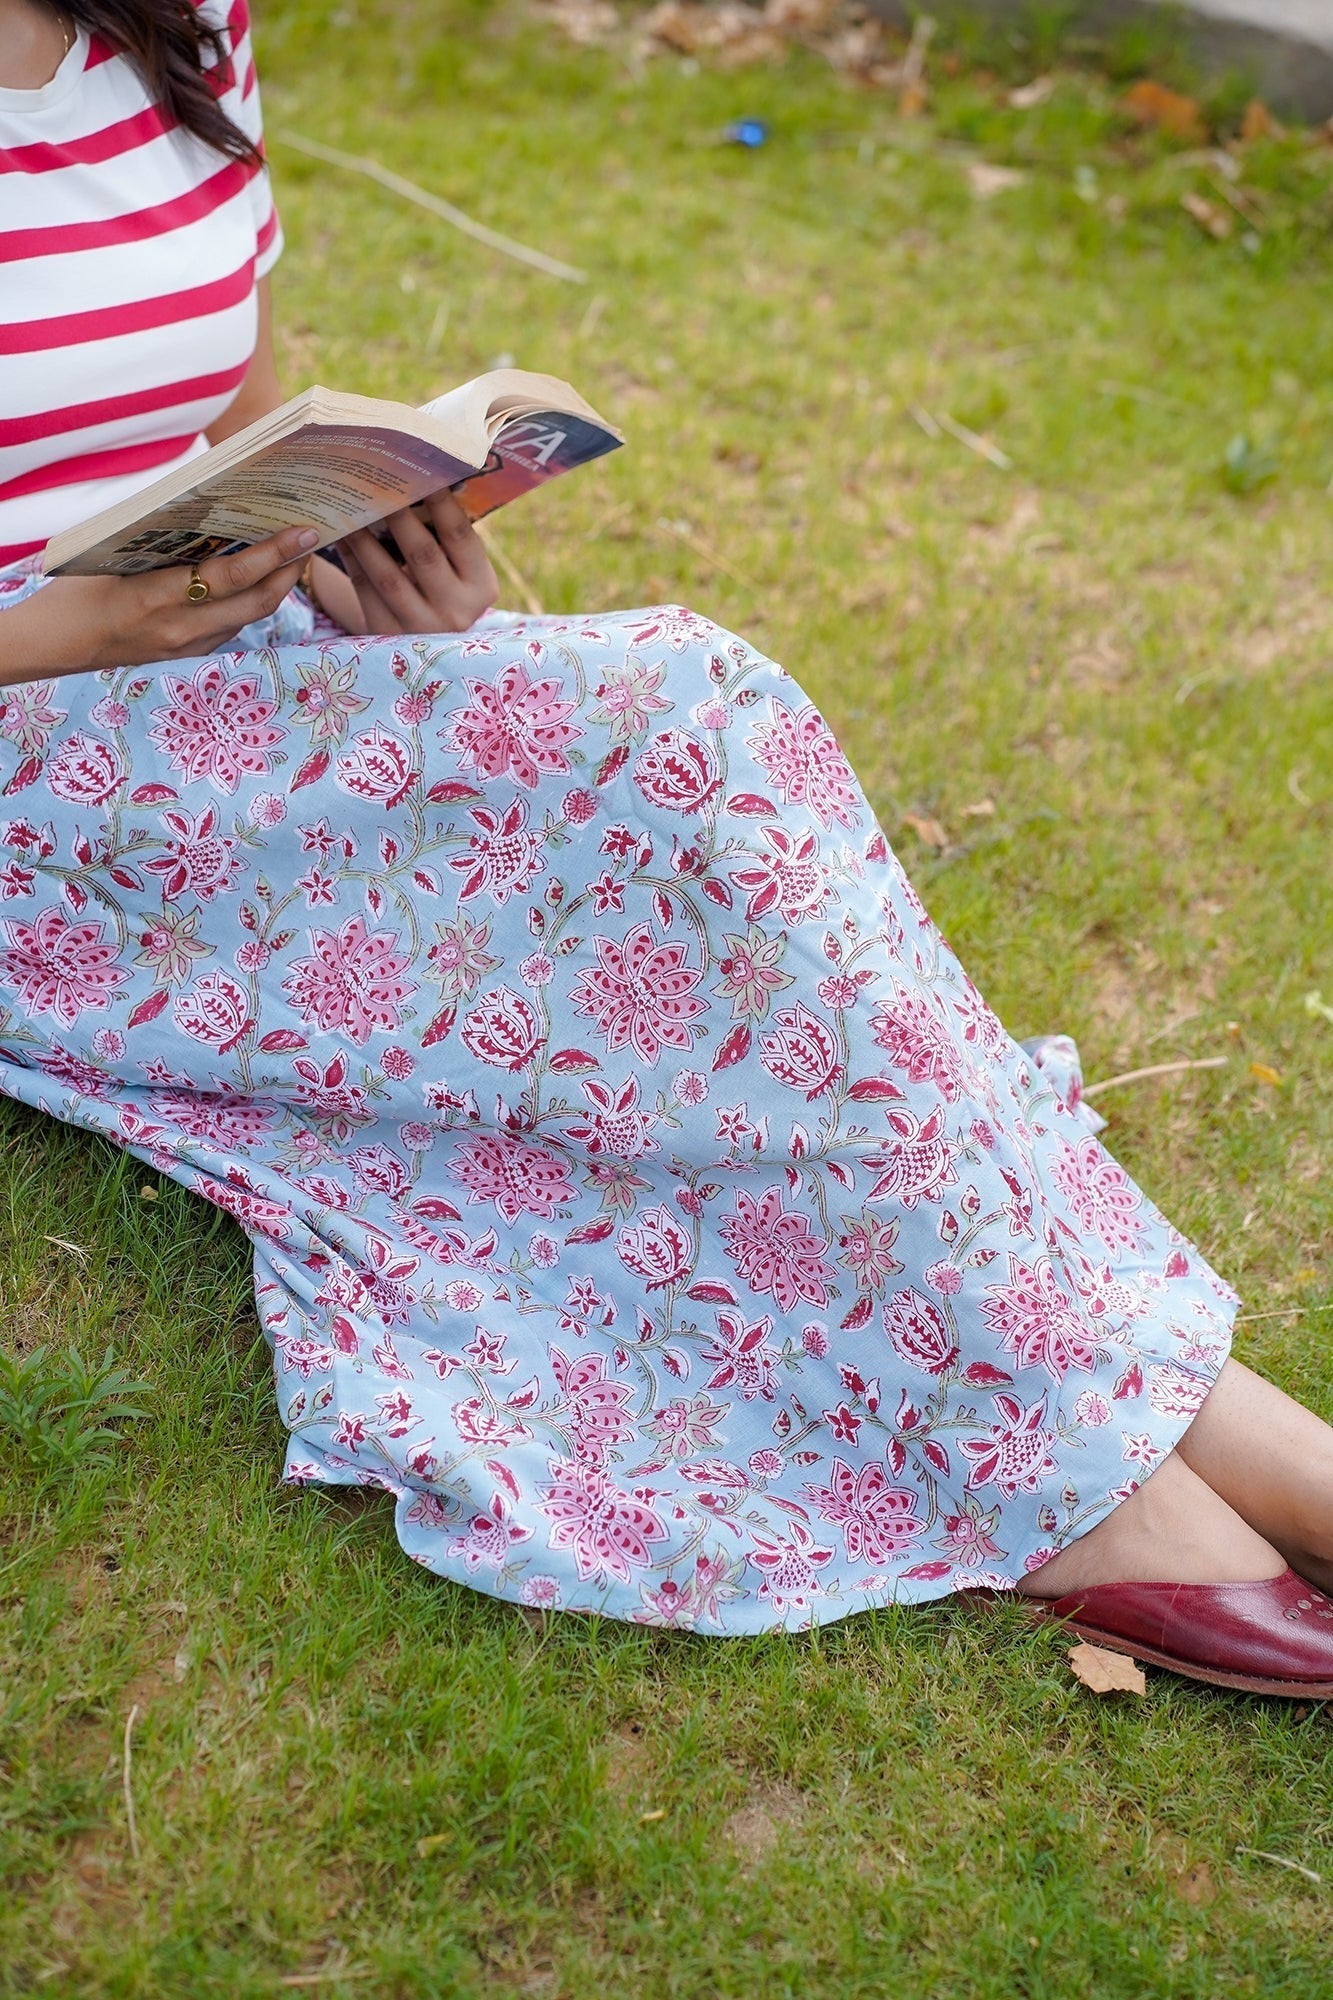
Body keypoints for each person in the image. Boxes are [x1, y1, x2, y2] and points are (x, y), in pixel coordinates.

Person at [2, 0, 1331, 1694]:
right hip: (39, 775)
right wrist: (69, 636)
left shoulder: (169, 21)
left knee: (697, 831)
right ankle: (1086, 1476)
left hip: (212, 677)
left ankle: (1154, 1400)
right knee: (673, 722)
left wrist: (373, 569)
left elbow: (234, 417)